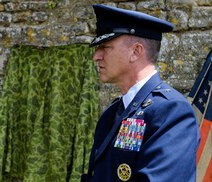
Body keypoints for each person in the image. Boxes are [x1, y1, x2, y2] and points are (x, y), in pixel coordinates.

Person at [81, 4, 200, 182]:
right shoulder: (112, 113)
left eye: (105, 47)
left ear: (135, 52)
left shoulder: (172, 111)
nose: (96, 56)